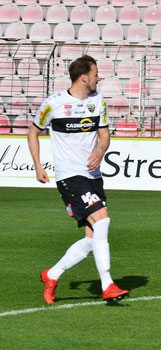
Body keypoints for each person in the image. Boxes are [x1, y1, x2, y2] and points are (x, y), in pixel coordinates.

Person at [27, 55, 129, 304]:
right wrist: (38, 165)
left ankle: (52, 275)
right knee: (102, 220)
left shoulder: (98, 102)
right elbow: (33, 132)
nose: (99, 77)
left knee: (92, 238)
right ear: (84, 77)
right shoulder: (54, 103)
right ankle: (108, 284)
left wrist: (101, 151)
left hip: (93, 175)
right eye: (96, 73)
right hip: (69, 175)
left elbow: (104, 135)